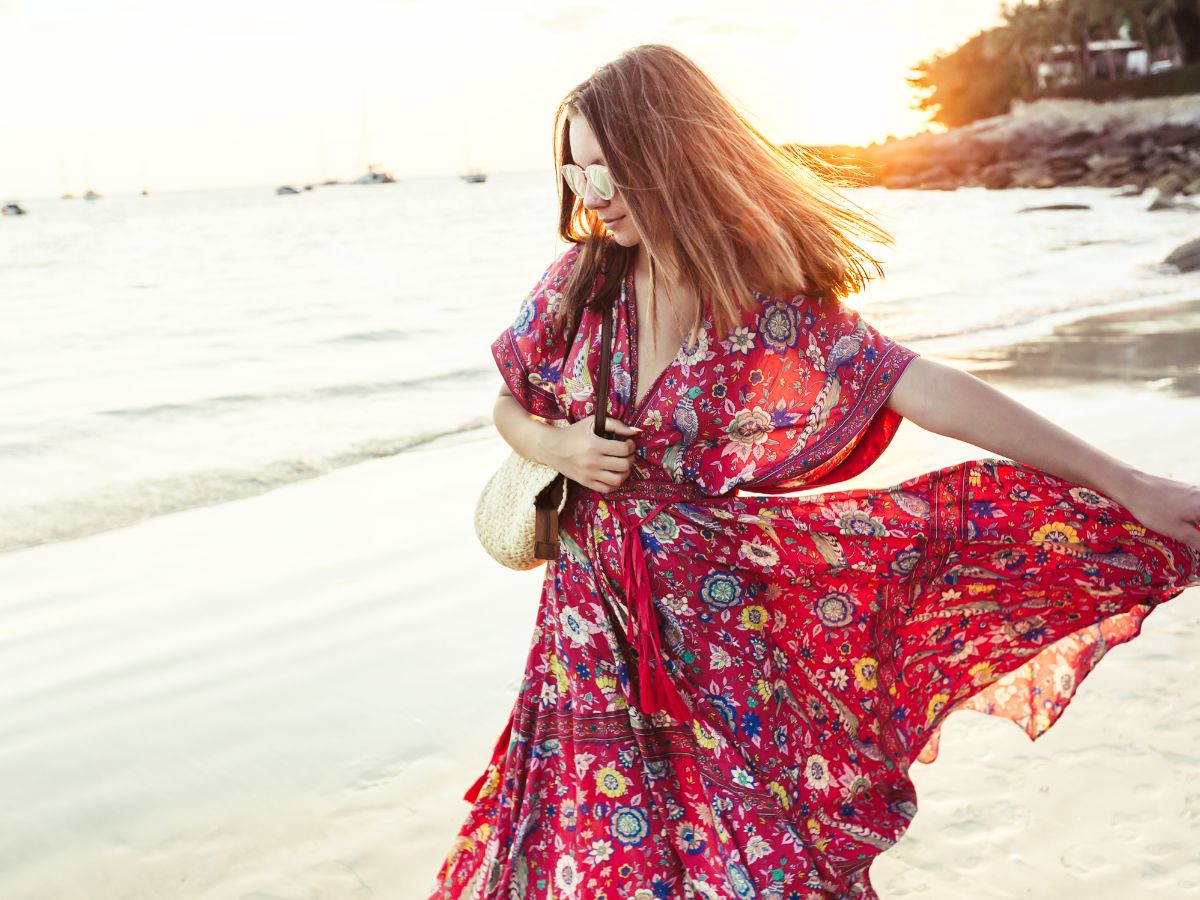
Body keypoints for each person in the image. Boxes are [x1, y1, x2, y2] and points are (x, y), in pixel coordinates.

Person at [429, 44, 1200, 899]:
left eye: (608, 171)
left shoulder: (761, 304)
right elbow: (507, 404)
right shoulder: (582, 286)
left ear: (670, 156)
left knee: (764, 869)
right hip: (586, 638)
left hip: (720, 637)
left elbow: (928, 388)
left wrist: (1126, 483)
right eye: (575, 175)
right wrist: (555, 447)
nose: (591, 198)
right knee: (592, 862)